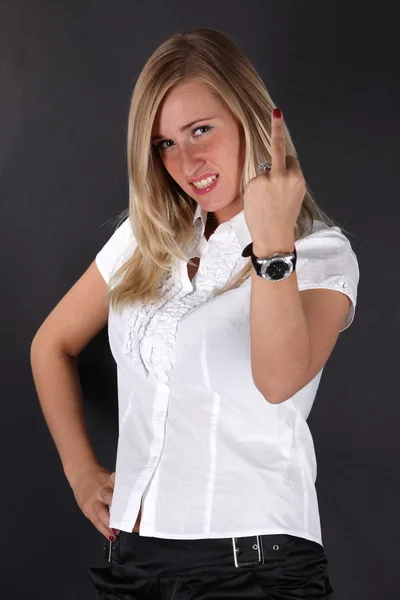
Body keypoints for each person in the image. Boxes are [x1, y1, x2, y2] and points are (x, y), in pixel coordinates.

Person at [30, 27, 360, 599]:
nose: (187, 162)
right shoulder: (147, 237)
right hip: (132, 560)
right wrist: (82, 474)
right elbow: (50, 344)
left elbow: (279, 380)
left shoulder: (320, 253)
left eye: (201, 130)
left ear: (250, 119)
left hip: (254, 567)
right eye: (165, 144)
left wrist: (273, 241)